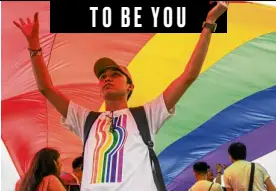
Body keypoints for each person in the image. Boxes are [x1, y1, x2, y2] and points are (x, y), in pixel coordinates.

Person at [13, 1, 229, 190]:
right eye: (102, 76)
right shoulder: (86, 119)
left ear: (129, 86)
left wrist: (209, 23)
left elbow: (188, 75)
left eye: (115, 74)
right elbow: (47, 89)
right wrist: (34, 47)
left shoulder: (148, 114)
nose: (107, 78)